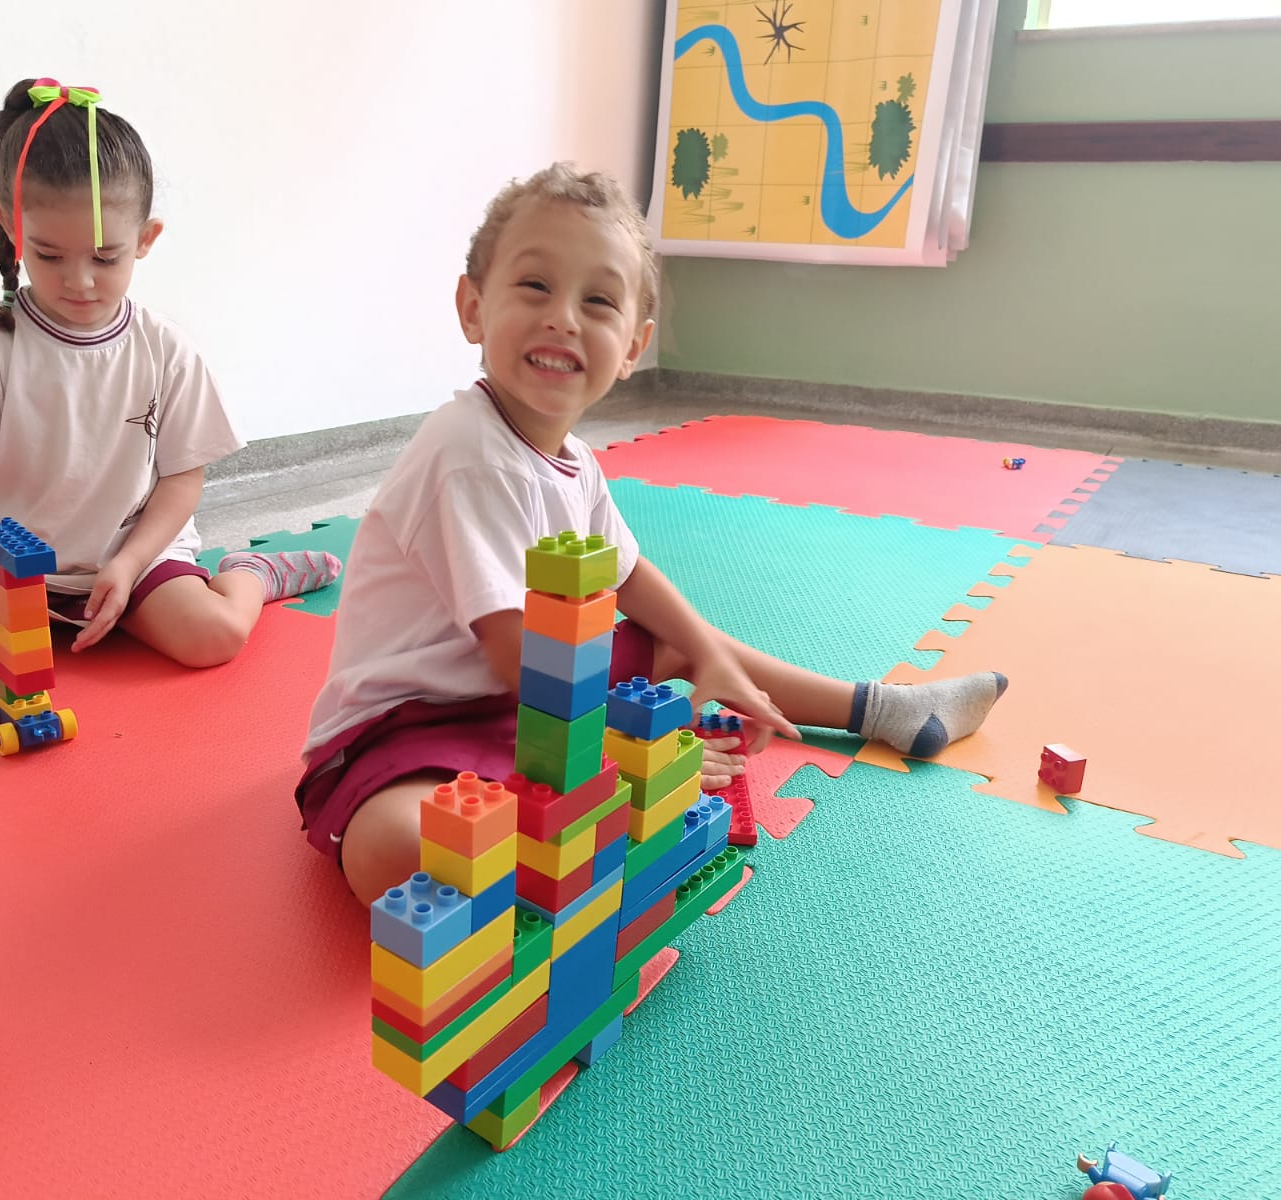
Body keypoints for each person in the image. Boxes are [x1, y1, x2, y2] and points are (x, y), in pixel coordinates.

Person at [297, 163, 1007, 905]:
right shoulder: (466, 454)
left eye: (597, 301)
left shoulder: (574, 461)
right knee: (396, 850)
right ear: (473, 308)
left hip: (520, 712)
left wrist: (706, 656)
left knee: (671, 639)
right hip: (408, 729)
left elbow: (631, 576)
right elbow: (516, 657)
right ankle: (586, 814)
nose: (563, 318)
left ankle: (881, 709)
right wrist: (628, 758)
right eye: (535, 286)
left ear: (633, 346)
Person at [0, 77, 338, 675]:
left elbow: (182, 480)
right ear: (10, 226)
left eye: (106, 258)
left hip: (129, 559)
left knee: (212, 637)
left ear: (146, 239)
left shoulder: (165, 349)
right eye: (49, 255)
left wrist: (128, 565)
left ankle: (251, 573)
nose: (79, 281)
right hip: (5, 569)